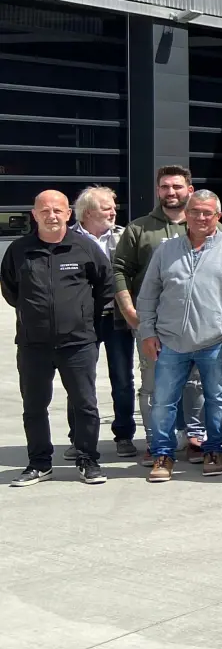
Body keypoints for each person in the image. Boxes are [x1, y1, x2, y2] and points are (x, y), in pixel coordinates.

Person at [136, 190, 222, 482]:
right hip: (170, 342)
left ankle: (214, 449)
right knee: (164, 401)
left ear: (218, 216)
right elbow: (148, 296)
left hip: (216, 342)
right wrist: (147, 331)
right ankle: (163, 455)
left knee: (216, 399)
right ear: (186, 215)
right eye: (195, 212)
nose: (201, 217)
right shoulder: (166, 251)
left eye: (207, 212)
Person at [3, 190, 114, 486]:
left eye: (57, 210)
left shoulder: (85, 248)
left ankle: (87, 459)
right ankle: (39, 463)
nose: (51, 216)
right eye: (45, 211)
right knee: (34, 406)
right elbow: (11, 289)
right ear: (34, 214)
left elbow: (105, 286)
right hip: (33, 344)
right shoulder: (18, 250)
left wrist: (84, 319)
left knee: (85, 404)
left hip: (78, 343)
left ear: (68, 214)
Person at [114, 166, 206, 465]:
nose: (171, 192)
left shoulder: (207, 226)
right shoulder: (139, 229)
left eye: (177, 187)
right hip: (150, 323)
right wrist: (129, 311)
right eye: (165, 186)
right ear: (158, 190)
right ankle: (157, 441)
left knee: (195, 383)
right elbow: (119, 271)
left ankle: (195, 437)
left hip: (196, 324)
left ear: (189, 190)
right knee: (154, 385)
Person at [72, 185, 136, 459]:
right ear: (86, 212)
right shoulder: (67, 238)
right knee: (78, 379)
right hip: (80, 321)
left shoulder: (124, 236)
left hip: (118, 319)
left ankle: (123, 435)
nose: (113, 211)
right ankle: (79, 439)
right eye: (105, 207)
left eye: (114, 207)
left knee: (122, 378)